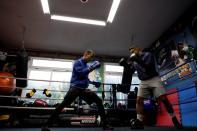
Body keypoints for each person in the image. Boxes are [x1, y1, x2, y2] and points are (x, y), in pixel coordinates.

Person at [41, 50, 113, 131]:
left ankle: (105, 125)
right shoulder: (77, 62)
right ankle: (46, 125)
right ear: (86, 54)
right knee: (62, 105)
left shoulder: (86, 65)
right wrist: (92, 67)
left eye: (92, 58)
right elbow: (81, 74)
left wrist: (93, 82)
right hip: (75, 89)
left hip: (83, 90)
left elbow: (84, 77)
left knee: (99, 101)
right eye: (90, 57)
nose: (91, 59)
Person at [127, 47, 182, 129]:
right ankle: (139, 122)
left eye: (133, 49)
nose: (132, 51)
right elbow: (131, 71)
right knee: (139, 100)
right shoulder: (134, 60)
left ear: (138, 49)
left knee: (163, 99)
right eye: (131, 51)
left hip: (154, 79)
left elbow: (148, 67)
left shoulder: (148, 55)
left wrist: (136, 59)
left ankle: (174, 118)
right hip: (143, 81)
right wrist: (126, 65)